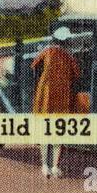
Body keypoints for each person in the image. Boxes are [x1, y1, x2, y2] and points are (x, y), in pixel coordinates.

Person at [31, 26, 81, 178]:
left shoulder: (47, 52)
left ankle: (45, 166)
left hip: (45, 94)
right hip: (61, 95)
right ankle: (54, 166)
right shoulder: (69, 56)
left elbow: (34, 66)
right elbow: (77, 74)